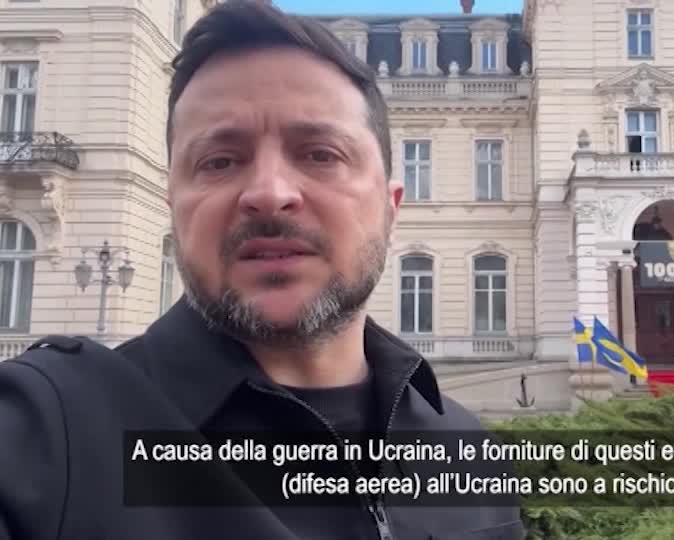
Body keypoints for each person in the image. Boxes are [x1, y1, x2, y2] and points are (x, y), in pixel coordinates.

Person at [0, 2, 524, 539]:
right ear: (173, 207)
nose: (269, 193)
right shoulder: (47, 436)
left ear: (391, 209)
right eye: (219, 161)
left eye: (320, 154)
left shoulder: (468, 454)